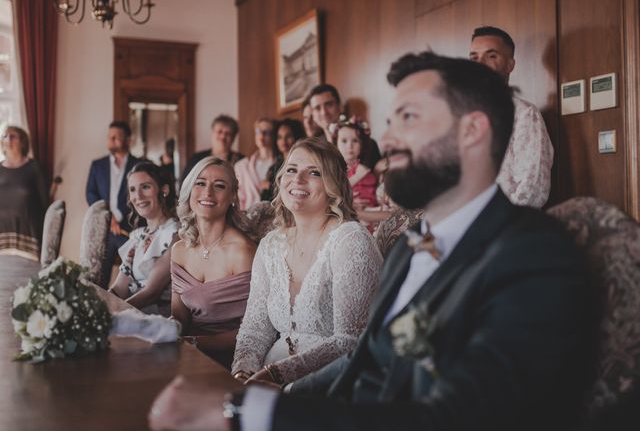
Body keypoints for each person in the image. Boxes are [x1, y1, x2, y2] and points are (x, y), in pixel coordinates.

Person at [148, 52, 594, 431]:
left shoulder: (533, 254)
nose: (389, 138)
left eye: (409, 118)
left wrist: (250, 412)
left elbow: (457, 416)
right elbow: (362, 361)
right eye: (389, 121)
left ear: (471, 130)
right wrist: (249, 389)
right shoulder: (409, 248)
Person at [230, 137, 382, 387]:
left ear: (333, 184)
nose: (298, 180)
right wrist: (242, 374)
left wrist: (277, 375)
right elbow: (255, 329)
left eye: (314, 172)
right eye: (291, 170)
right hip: (268, 377)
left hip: (333, 382)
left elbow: (351, 340)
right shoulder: (270, 245)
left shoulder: (350, 240)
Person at [171, 156, 256, 367]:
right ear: (190, 189)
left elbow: (255, 330)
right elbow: (179, 318)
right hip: (186, 354)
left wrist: (193, 344)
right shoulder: (179, 250)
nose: (207, 193)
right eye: (200, 183)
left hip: (231, 360)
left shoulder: (243, 253)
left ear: (233, 197)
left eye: (219, 186)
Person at [469, 26, 553, 208]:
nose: (480, 64)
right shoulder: (461, 119)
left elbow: (533, 190)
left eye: (491, 56)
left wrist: (487, 224)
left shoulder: (524, 115)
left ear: (509, 65)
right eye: (474, 57)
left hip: (502, 226)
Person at [108, 162, 179, 316]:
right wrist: (101, 304)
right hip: (129, 312)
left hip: (157, 316)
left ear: (164, 190)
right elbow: (119, 288)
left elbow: (151, 293)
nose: (138, 196)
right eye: (132, 190)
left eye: (145, 187)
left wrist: (112, 313)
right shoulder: (138, 236)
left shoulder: (176, 233)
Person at [86, 121, 141, 288]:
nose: (111, 140)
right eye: (110, 137)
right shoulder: (98, 165)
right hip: (105, 228)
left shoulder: (139, 165)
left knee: (135, 272)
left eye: (116, 137)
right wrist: (107, 218)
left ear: (128, 140)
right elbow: (90, 193)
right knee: (99, 275)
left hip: (130, 228)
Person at [0, 125, 48, 260]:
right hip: (2, 242)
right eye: (5, 136)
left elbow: (44, 203)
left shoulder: (34, 168)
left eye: (13, 136)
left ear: (23, 142)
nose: (8, 139)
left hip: (28, 240)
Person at [307, 84, 382, 169]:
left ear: (340, 106)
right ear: (313, 114)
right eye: (317, 108)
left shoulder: (367, 144)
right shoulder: (312, 149)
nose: (324, 112)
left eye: (329, 105)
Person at [180, 115, 244, 184]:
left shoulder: (242, 162)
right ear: (212, 133)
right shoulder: (196, 159)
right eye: (219, 132)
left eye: (228, 134)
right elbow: (184, 185)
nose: (223, 137)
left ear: (233, 137)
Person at [332, 115, 378, 209]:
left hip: (372, 205)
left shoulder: (364, 166)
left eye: (355, 141)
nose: (350, 146)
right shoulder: (336, 169)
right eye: (344, 141)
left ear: (362, 145)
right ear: (336, 143)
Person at [234, 118, 276, 210]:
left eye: (267, 132)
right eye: (258, 131)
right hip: (247, 217)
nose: (262, 135)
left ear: (274, 136)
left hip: (273, 216)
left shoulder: (280, 164)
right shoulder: (241, 166)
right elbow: (238, 197)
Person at [261, 118, 306, 202]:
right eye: (279, 137)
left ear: (296, 137)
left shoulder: (304, 164)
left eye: (288, 136)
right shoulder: (273, 168)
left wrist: (269, 186)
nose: (283, 141)